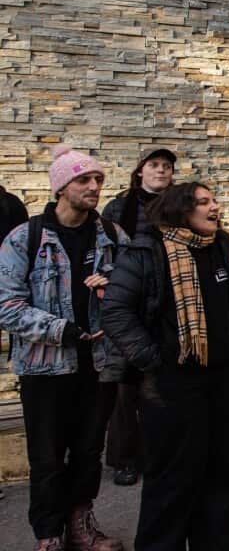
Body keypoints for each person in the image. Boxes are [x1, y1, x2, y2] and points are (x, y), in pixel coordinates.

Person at [99, 182, 229, 550]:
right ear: (180, 210)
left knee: (223, 476)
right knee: (173, 478)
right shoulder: (146, 251)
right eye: (204, 202)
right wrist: (152, 360)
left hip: (223, 381)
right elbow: (116, 311)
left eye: (214, 200)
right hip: (170, 386)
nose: (215, 207)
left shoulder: (223, 246)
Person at [0, 146, 126, 551]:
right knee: (48, 456)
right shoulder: (26, 237)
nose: (94, 186)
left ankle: (81, 526)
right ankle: (48, 534)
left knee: (89, 451)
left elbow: (136, 292)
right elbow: (7, 305)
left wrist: (112, 292)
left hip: (99, 363)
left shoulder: (112, 235)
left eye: (98, 180)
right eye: (83, 180)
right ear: (60, 187)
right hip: (44, 366)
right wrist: (61, 330)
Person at [100, 146, 176, 488]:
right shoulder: (119, 207)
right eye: (155, 165)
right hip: (129, 302)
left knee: (162, 389)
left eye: (167, 166)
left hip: (168, 302)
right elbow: (103, 249)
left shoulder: (180, 203)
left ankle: (159, 453)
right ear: (140, 170)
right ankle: (124, 458)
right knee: (125, 390)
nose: (161, 171)